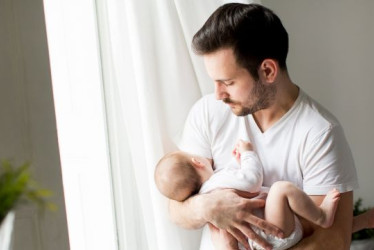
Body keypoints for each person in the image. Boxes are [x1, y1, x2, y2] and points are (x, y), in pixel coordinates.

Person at [168, 3, 359, 250]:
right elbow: (176, 208)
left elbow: (333, 240)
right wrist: (208, 206)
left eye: (228, 82)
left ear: (268, 71)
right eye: (214, 82)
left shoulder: (320, 133)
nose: (218, 94)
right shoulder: (207, 112)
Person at [155, 140, 341, 250]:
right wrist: (247, 154)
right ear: (197, 161)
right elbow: (252, 181)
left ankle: (361, 221)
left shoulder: (209, 193)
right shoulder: (217, 183)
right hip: (272, 231)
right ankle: (322, 216)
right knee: (281, 189)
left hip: (258, 243)